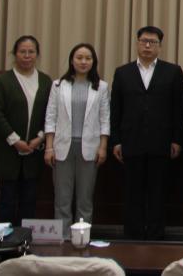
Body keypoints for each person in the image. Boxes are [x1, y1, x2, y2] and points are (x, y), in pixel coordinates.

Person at [110, 25, 183, 240]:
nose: (148, 46)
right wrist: (116, 140)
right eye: (144, 41)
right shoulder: (122, 72)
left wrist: (177, 139)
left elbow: (178, 109)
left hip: (161, 141)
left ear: (160, 46)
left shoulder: (173, 71)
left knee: (157, 191)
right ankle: (132, 234)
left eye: (153, 42)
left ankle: (155, 234)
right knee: (132, 191)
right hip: (130, 141)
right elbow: (116, 109)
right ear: (137, 44)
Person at [0, 35, 53, 225]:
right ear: (15, 54)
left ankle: (25, 238)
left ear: (37, 55)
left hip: (34, 149)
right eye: (22, 51)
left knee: (29, 199)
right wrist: (15, 140)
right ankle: (4, 239)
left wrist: (40, 137)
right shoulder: (4, 81)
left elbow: (51, 112)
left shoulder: (45, 81)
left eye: (31, 52)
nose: (27, 55)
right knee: (7, 199)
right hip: (9, 150)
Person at [43, 42, 110, 229]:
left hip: (90, 148)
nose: (83, 62)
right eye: (79, 58)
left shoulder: (101, 87)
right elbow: (50, 116)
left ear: (93, 62)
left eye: (88, 58)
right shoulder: (58, 85)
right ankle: (63, 237)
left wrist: (103, 147)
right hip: (62, 147)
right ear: (72, 61)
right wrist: (49, 147)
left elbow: (105, 119)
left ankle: (82, 237)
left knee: (85, 198)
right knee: (62, 198)